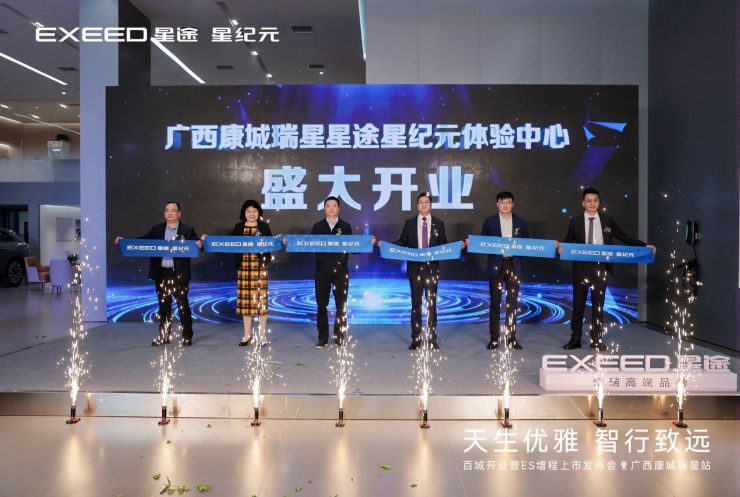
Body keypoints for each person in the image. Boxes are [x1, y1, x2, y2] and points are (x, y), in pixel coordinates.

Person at [560, 187, 656, 351]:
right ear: (583, 203)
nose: (592, 203)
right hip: (581, 268)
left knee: (598, 306)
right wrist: (560, 247)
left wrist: (644, 246)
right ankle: (575, 339)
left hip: (601, 267)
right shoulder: (575, 221)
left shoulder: (607, 220)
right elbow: (567, 241)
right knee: (578, 306)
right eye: (588, 201)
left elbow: (624, 236)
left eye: (595, 200)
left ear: (599, 202)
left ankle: (597, 339)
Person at [114, 201, 202, 346]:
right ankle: (164, 336)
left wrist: (200, 243)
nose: (170, 213)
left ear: (179, 214)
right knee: (163, 306)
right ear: (164, 214)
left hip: (179, 274)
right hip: (161, 273)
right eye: (167, 210)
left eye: (173, 210)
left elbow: (197, 244)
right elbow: (142, 242)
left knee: (182, 305)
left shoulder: (187, 229)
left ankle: (187, 336)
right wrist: (125, 242)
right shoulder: (157, 229)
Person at [394, 192, 447, 350]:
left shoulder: (439, 223)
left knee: (431, 304)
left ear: (431, 205)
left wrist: (458, 247)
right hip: (414, 269)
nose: (424, 205)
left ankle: (431, 338)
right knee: (416, 304)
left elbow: (444, 244)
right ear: (417, 206)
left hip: (432, 269)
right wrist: (386, 246)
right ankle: (416, 339)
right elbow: (402, 242)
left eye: (427, 202)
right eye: (421, 202)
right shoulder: (410, 223)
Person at [480, 191, 529, 350]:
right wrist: (471, 243)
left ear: (513, 204)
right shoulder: (489, 222)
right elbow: (482, 242)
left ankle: (511, 338)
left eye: (508, 202)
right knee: (495, 303)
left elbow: (528, 244)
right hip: (496, 266)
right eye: (502, 202)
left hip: (514, 265)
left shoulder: (521, 222)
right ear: (497, 204)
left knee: (512, 304)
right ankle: (494, 338)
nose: (505, 205)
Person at [229, 200, 272, 347]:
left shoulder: (264, 227)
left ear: (259, 212)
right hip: (244, 268)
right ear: (244, 213)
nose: (252, 214)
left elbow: (271, 244)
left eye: (255, 211)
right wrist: (206, 239)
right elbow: (227, 243)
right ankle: (247, 335)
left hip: (260, 268)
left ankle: (262, 335)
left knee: (261, 302)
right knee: (246, 303)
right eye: (249, 211)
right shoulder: (238, 227)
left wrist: (281, 241)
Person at [311, 196, 352, 348]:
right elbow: (307, 244)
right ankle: (322, 339)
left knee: (341, 306)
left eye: (334, 206)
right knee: (322, 305)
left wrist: (368, 243)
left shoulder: (345, 227)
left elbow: (353, 246)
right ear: (324, 209)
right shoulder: (317, 227)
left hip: (341, 271)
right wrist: (290, 243)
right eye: (328, 206)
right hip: (322, 271)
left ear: (339, 208)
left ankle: (339, 337)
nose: (331, 208)